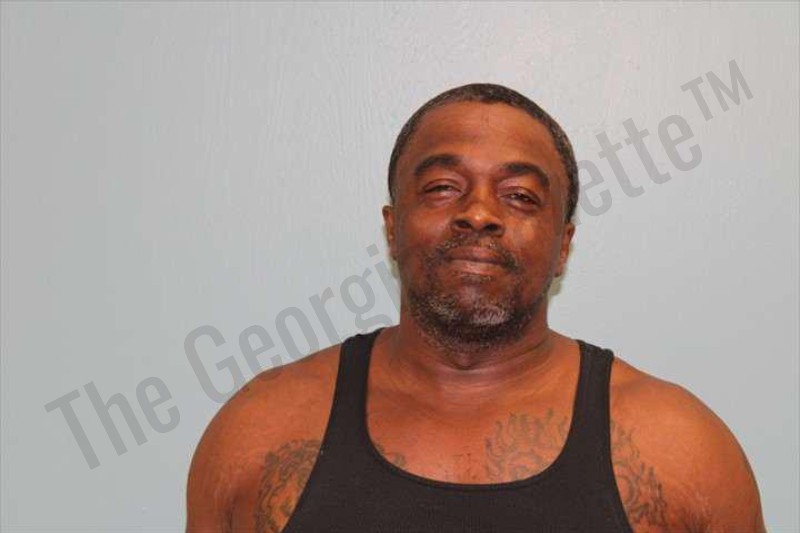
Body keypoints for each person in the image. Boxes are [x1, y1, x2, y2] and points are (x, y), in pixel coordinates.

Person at [186, 84, 765, 532]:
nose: (479, 213)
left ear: (563, 245)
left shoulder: (681, 449)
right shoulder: (261, 430)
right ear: (392, 228)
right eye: (443, 187)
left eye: (520, 196)